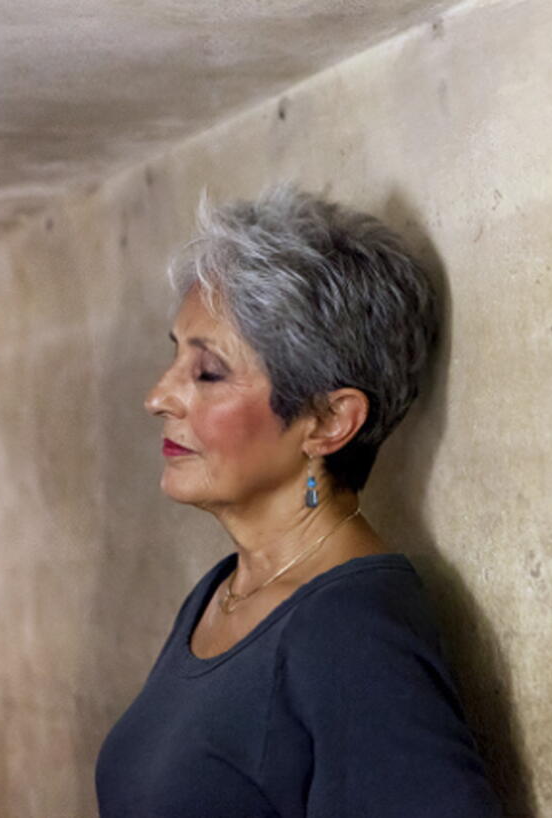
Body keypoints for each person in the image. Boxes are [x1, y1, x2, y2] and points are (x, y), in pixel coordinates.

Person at [95, 183, 501, 817]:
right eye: (174, 357)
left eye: (209, 373)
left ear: (329, 422)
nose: (158, 396)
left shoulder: (351, 633)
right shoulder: (224, 591)